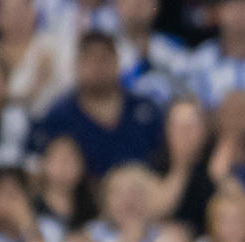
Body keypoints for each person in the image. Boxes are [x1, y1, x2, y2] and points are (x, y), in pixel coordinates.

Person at [29, 32, 163, 179]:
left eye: (104, 59)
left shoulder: (144, 110)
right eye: (90, 59)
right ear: (77, 65)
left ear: (117, 63)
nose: (97, 67)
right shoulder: (59, 116)